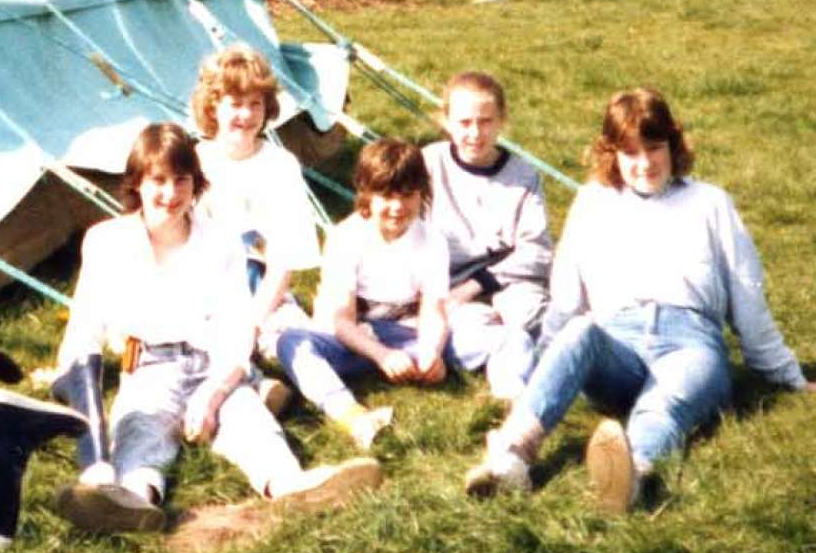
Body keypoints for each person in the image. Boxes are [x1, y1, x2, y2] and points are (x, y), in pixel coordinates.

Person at [462, 87, 816, 512]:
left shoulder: (710, 203)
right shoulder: (593, 201)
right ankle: (511, 460)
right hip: (618, 346)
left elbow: (748, 297)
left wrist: (791, 378)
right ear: (611, 154)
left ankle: (630, 475)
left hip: (691, 344)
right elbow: (564, 301)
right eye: (630, 152)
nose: (645, 163)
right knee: (581, 330)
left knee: (663, 403)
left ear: (674, 144)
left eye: (655, 148)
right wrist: (534, 380)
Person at [51, 123, 379, 533]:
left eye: (181, 181)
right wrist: (77, 396)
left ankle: (291, 487)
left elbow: (238, 329)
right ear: (136, 183)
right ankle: (132, 503)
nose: (170, 194)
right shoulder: (106, 241)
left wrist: (213, 393)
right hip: (149, 365)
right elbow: (83, 329)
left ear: (196, 184)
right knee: (140, 430)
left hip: (213, 362)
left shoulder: (220, 240)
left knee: (250, 420)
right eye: (158, 181)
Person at [274, 138, 449, 451]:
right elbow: (341, 321)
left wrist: (430, 350)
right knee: (291, 343)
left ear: (422, 193)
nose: (398, 207)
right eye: (387, 196)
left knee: (473, 339)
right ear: (367, 193)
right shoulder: (346, 236)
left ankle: (509, 396)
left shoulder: (433, 239)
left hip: (404, 332)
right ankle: (353, 416)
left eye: (408, 195)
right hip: (354, 337)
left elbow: (434, 309)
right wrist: (381, 355)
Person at [190, 45, 320, 370]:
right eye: (235, 105)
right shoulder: (194, 162)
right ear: (212, 108)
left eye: (255, 104)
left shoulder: (280, 165)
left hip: (264, 290)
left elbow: (283, 261)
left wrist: (253, 320)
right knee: (193, 345)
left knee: (297, 344)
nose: (246, 115)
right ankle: (251, 388)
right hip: (206, 291)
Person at [425, 70, 552, 399]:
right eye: (464, 123)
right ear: (446, 120)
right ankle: (515, 397)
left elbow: (537, 251)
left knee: (534, 316)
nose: (475, 134)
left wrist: (480, 285)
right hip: (449, 288)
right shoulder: (428, 165)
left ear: (501, 121)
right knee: (476, 328)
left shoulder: (523, 176)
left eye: (485, 122)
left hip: (508, 279)